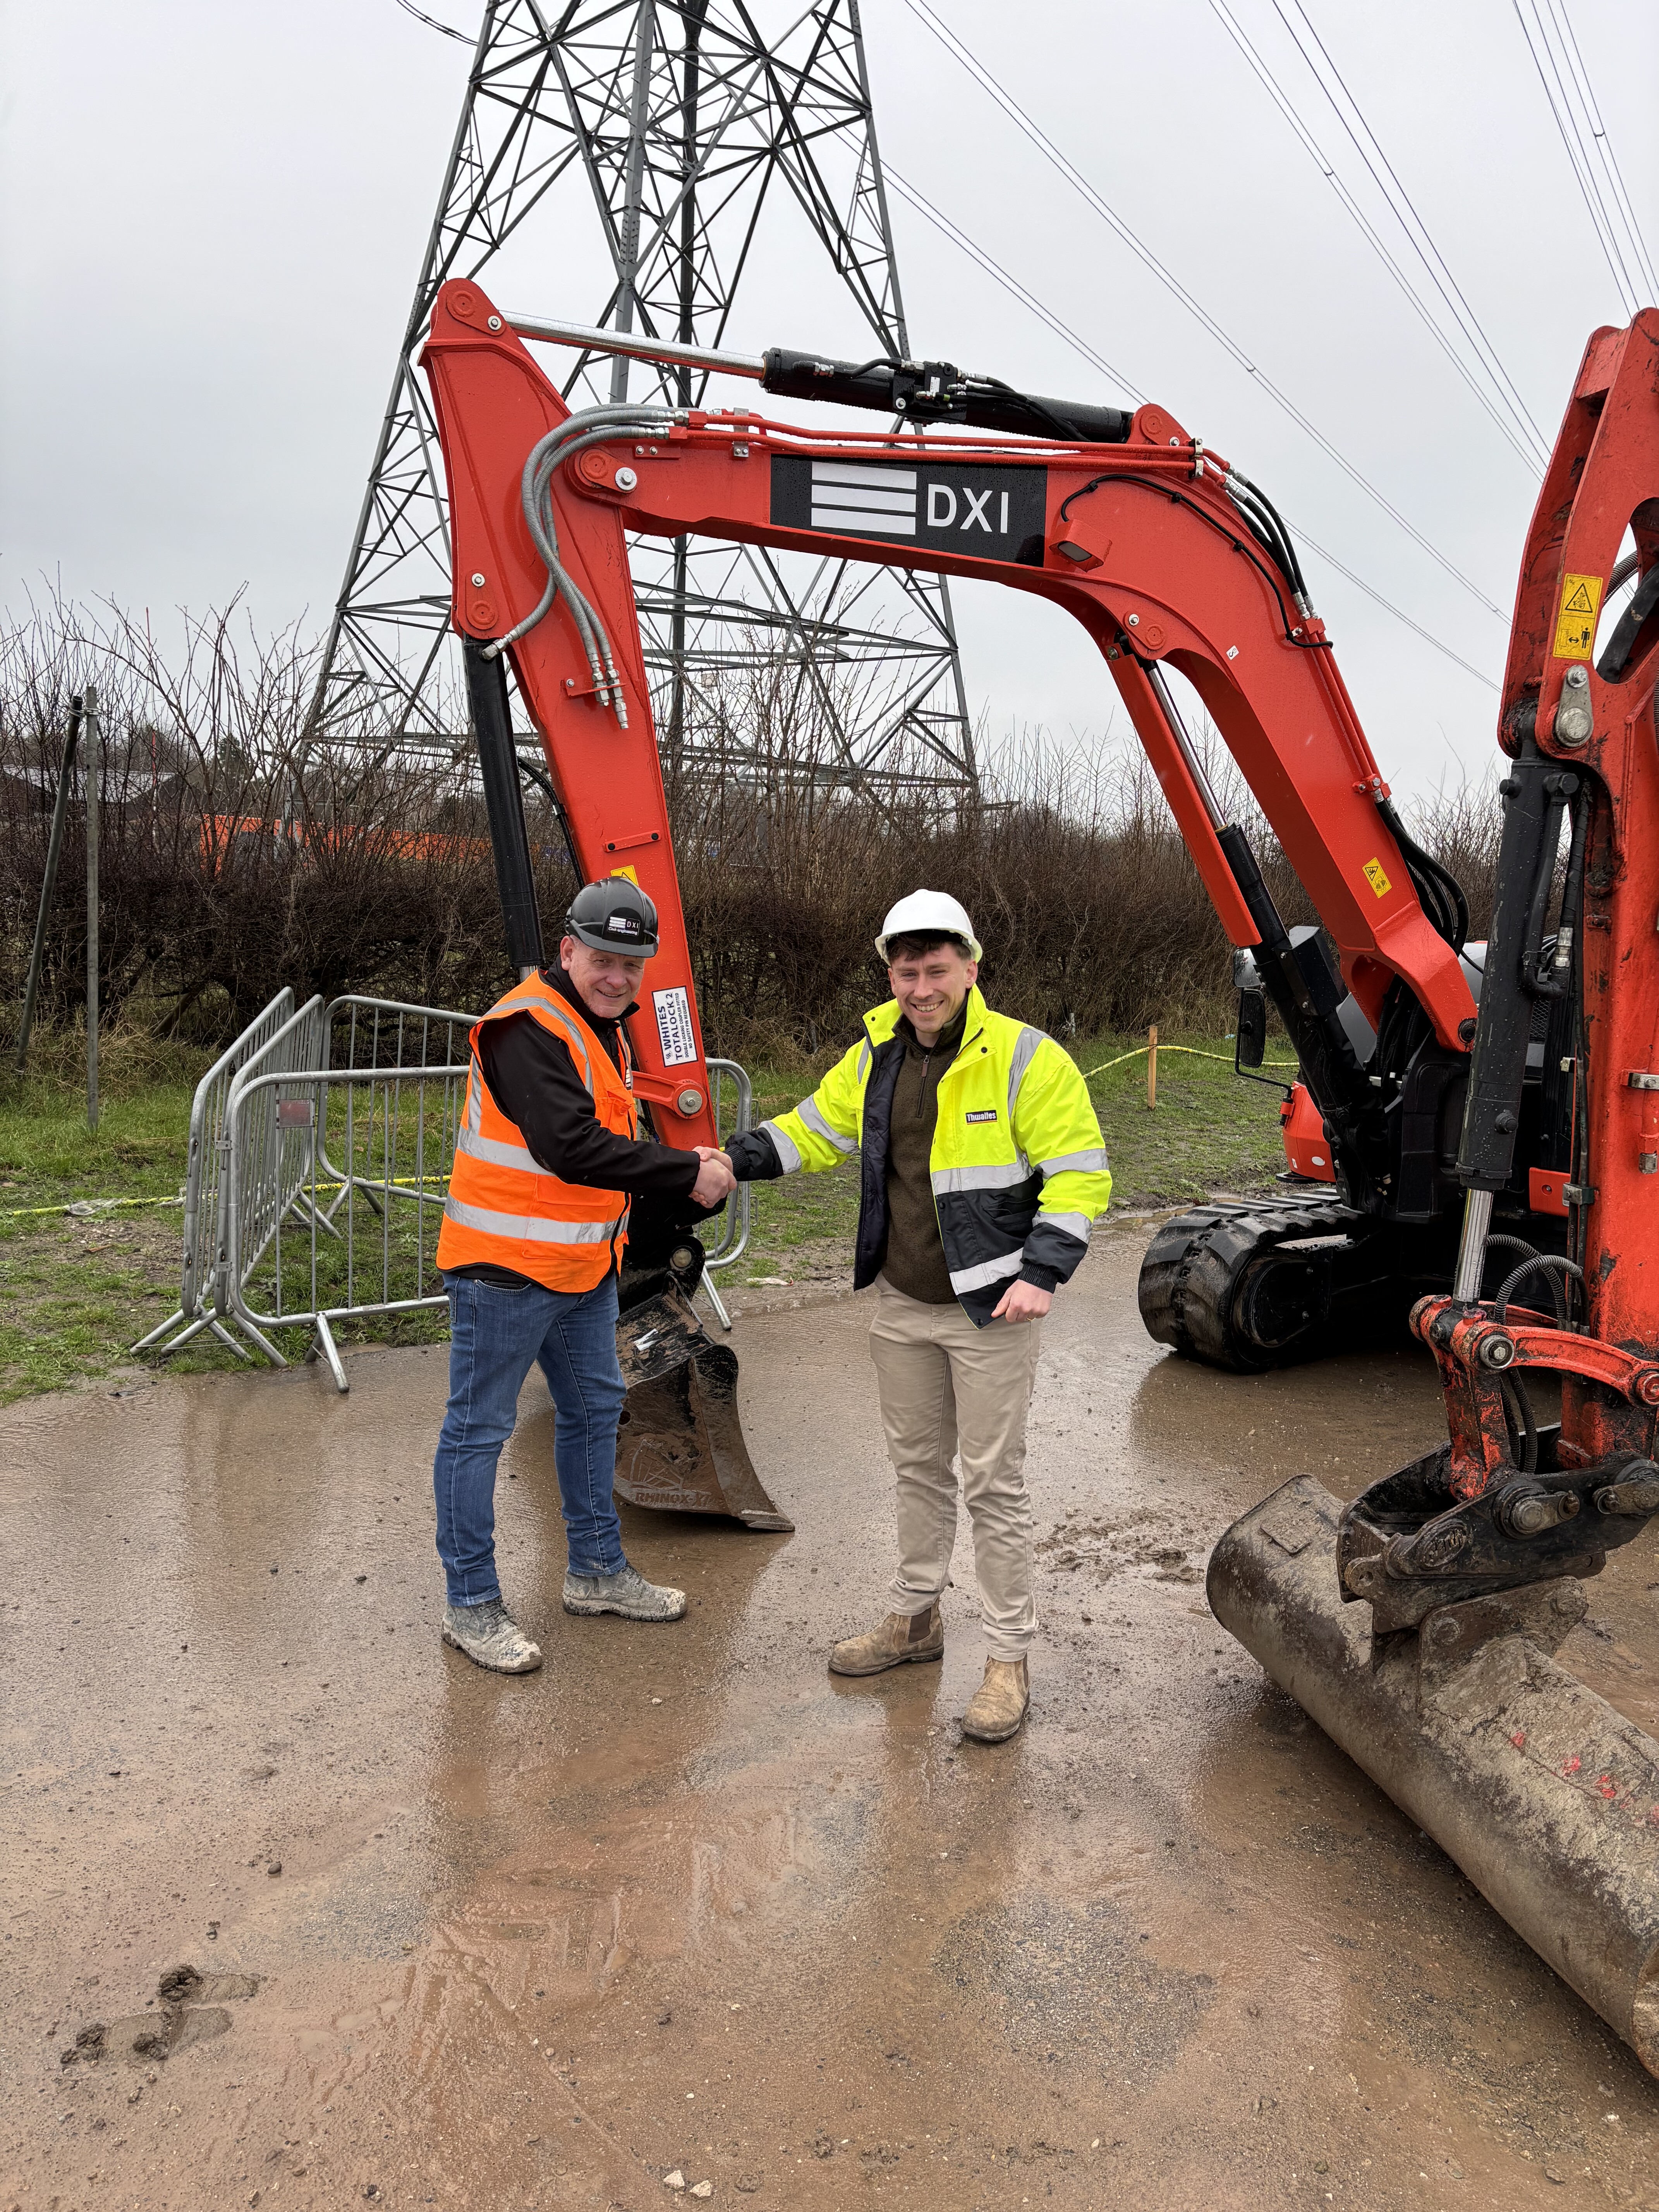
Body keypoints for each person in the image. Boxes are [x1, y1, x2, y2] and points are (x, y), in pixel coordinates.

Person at [721, 890, 1112, 1743]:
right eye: (908, 971)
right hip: (902, 1301)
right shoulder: (876, 1055)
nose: (922, 986)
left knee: (993, 1484)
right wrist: (731, 1162)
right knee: (916, 1470)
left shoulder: (1025, 1057)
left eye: (938, 970)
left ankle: (1008, 1657)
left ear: (970, 969)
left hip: (994, 1308)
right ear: (890, 973)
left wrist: (1044, 1271)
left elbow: (1080, 1173)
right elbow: (812, 1129)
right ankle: (915, 1618)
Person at [431, 877, 736, 1675]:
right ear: (569, 951)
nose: (618, 978)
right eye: (604, 959)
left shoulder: (604, 1027)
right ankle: (471, 1606)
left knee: (597, 1407)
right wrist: (684, 1173)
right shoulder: (526, 1028)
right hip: (503, 1272)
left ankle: (597, 1572)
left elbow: (601, 1140)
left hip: (578, 1266)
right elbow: (569, 1147)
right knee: (478, 1433)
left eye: (633, 966)